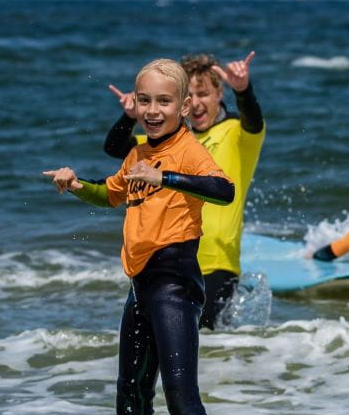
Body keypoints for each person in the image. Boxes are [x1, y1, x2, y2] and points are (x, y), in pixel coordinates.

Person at [43, 58, 242, 415]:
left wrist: (167, 179)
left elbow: (223, 188)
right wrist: (74, 187)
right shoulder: (135, 156)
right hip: (141, 288)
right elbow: (108, 195)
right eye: (146, 101)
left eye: (165, 101)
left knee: (182, 401)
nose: (154, 110)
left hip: (175, 285)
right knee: (130, 401)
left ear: (184, 104)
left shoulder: (187, 149)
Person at [105, 51, 265, 329]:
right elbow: (116, 148)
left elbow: (254, 121)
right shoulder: (167, 140)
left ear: (219, 93)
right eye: (191, 96)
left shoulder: (236, 132)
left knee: (203, 341)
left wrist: (244, 90)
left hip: (217, 264)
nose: (198, 104)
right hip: (167, 263)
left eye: (203, 93)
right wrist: (129, 116)